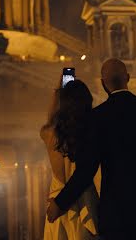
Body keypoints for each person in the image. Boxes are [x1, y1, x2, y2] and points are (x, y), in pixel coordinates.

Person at [47, 58, 136, 240]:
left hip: (118, 215)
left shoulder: (98, 117)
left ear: (102, 83)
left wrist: (60, 203)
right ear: (128, 78)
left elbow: (86, 169)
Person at [41, 78, 99, 240]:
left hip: (56, 203)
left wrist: (58, 91)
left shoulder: (49, 133)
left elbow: (50, 118)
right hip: (84, 202)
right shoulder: (89, 134)